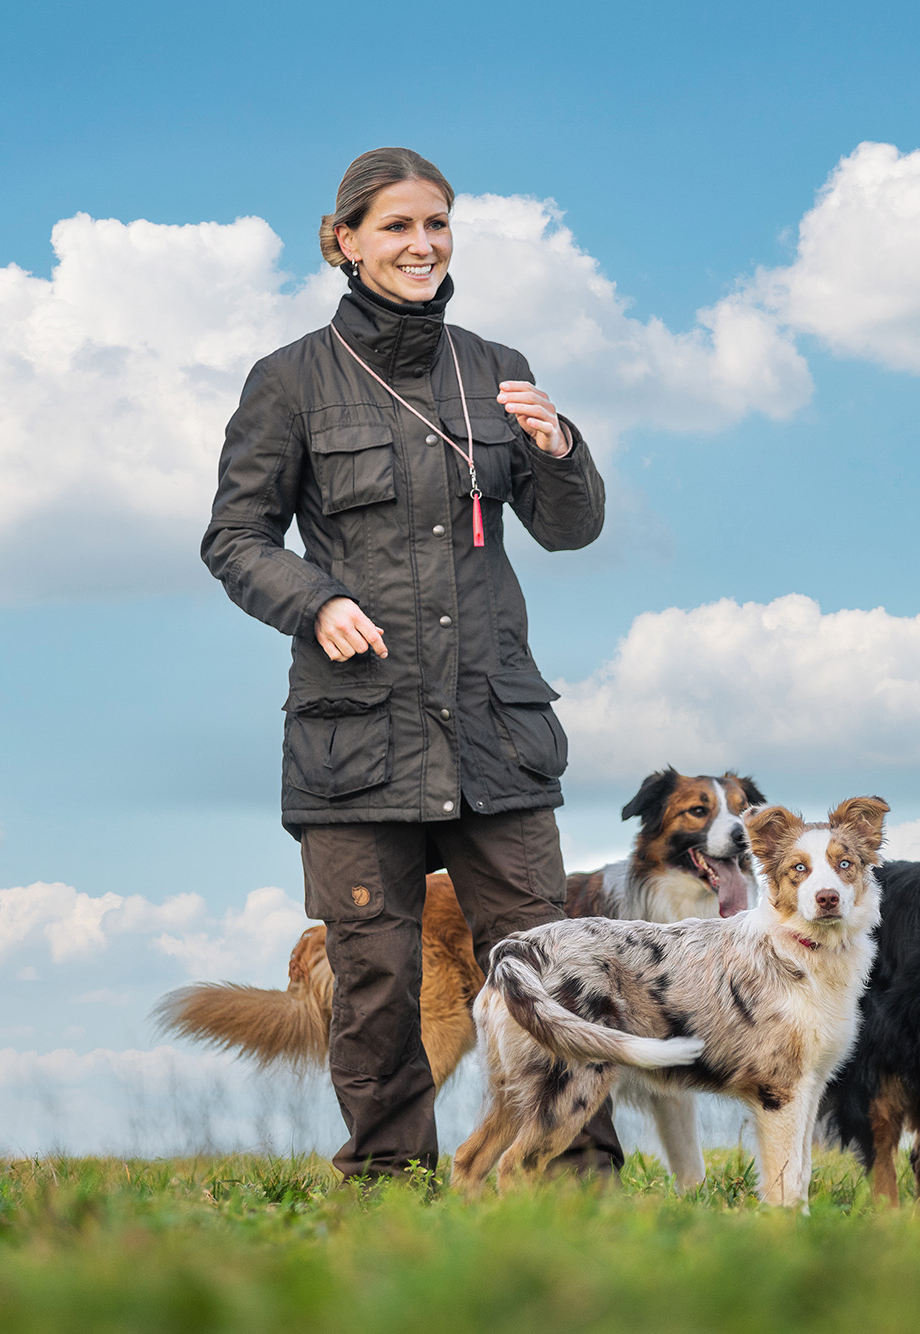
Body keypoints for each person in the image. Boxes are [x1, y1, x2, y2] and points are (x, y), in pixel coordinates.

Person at [203, 147, 621, 1182]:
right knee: (379, 980)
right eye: (395, 226)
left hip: (496, 725)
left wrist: (562, 449)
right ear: (343, 240)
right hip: (357, 731)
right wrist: (317, 601)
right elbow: (234, 538)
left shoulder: (495, 366)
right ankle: (387, 1191)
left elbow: (568, 530)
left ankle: (581, 1191)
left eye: (436, 224)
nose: (421, 244)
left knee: (549, 972)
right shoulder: (288, 380)